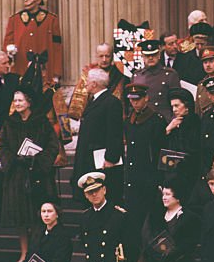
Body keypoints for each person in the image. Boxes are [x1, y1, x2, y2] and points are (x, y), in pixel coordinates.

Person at [0, 88, 59, 262]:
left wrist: (39, 161)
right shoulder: (9, 123)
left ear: (29, 102)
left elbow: (52, 146)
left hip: (38, 174)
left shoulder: (41, 122)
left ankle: (38, 251)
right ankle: (24, 252)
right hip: (17, 174)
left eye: (20, 101)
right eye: (15, 101)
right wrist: (13, 159)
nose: (17, 104)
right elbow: (2, 146)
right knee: (20, 218)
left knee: (37, 215)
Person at [3, 0, 63, 84]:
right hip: (20, 69)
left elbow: (57, 48)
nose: (27, 1)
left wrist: (57, 73)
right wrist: (9, 53)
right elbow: (7, 42)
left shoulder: (51, 19)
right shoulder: (15, 19)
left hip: (44, 70)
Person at [71, 68, 125, 198]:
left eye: (88, 81)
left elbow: (115, 132)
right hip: (89, 156)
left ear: (94, 83)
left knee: (103, 194)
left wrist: (111, 157)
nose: (86, 84)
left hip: (101, 160)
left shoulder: (111, 102)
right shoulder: (94, 101)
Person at [123, 82, 166, 222]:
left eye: (137, 99)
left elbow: (160, 151)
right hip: (132, 178)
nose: (134, 103)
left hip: (147, 178)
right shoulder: (130, 120)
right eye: (131, 100)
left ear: (146, 98)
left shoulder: (156, 120)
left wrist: (158, 178)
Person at [162, 89, 201, 201]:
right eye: (172, 106)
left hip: (189, 175)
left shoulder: (195, 123)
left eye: (177, 105)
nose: (174, 110)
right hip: (172, 174)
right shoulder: (174, 124)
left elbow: (192, 150)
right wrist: (168, 129)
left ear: (187, 105)